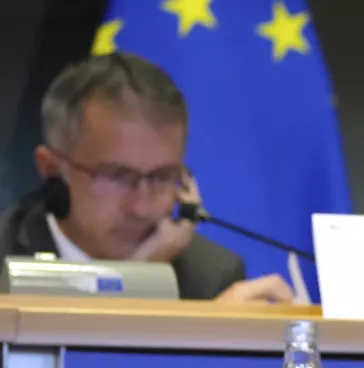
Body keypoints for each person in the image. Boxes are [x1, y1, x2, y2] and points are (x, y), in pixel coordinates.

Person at [0, 53, 294, 302]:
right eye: (116, 176)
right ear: (51, 167)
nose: (141, 207)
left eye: (162, 177)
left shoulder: (211, 275)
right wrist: (134, 280)